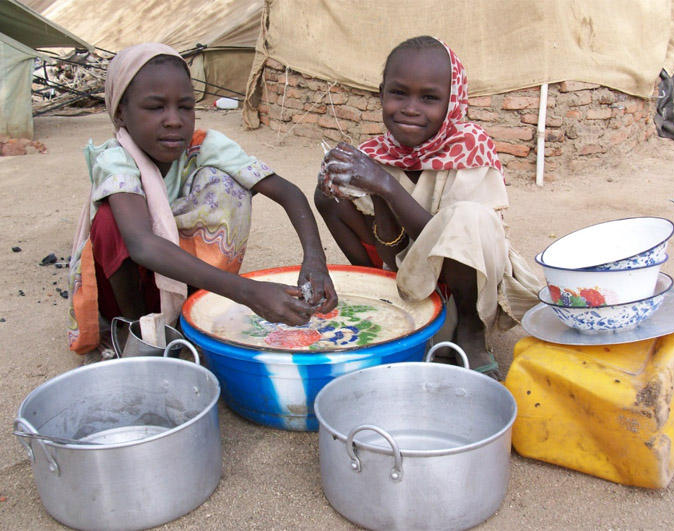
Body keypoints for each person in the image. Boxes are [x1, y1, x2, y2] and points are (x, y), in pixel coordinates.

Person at [68, 43, 336, 355]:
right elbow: (141, 244)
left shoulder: (203, 145)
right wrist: (248, 293)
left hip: (188, 277)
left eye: (185, 107)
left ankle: (191, 312)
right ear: (121, 113)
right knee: (110, 220)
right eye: (156, 107)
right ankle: (139, 331)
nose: (173, 120)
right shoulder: (115, 160)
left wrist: (315, 261)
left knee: (228, 185)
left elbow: (287, 192)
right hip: (130, 292)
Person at [314, 36, 542, 379]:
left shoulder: (470, 152)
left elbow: (449, 238)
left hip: (464, 279)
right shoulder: (375, 155)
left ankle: (470, 331)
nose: (410, 107)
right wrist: (373, 190)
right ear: (381, 93)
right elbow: (391, 247)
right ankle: (382, 295)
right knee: (328, 195)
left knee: (469, 218)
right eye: (398, 93)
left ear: (453, 104)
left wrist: (386, 186)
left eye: (430, 98)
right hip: (403, 269)